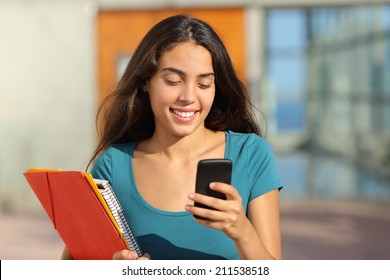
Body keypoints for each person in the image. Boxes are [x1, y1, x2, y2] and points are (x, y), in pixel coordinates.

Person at [62, 14, 282, 260]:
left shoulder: (251, 154)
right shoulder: (113, 166)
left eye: (204, 84)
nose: (188, 96)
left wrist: (243, 232)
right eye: (173, 80)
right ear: (146, 81)